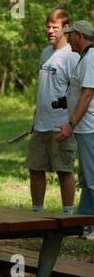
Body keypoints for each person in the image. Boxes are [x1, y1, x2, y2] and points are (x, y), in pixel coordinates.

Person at [24, 9, 80, 215]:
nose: (50, 31)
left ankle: (68, 216)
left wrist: (71, 123)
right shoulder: (46, 52)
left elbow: (78, 93)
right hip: (41, 123)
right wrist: (35, 117)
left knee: (64, 171)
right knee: (35, 168)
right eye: (48, 26)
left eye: (54, 27)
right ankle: (36, 213)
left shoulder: (72, 56)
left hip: (62, 125)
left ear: (66, 28)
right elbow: (44, 89)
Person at [56, 20, 94, 239]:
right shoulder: (84, 58)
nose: (67, 38)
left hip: (89, 127)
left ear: (80, 35)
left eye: (70, 34)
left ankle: (90, 227)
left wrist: (71, 125)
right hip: (84, 128)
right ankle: (85, 226)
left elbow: (87, 94)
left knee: (91, 180)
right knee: (87, 179)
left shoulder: (91, 58)